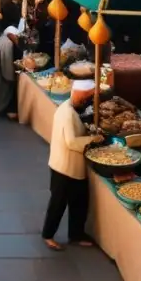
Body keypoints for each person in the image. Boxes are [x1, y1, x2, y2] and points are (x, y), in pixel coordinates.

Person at [43, 97, 103, 250]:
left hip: (75, 166)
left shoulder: (72, 108)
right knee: (58, 202)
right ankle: (48, 235)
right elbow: (71, 142)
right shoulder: (67, 114)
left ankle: (76, 234)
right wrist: (92, 139)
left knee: (79, 201)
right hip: (63, 166)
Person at [0, 27, 21, 121]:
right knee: (6, 91)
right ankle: (7, 110)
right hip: (5, 72)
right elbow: (8, 62)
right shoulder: (8, 45)